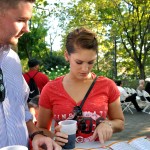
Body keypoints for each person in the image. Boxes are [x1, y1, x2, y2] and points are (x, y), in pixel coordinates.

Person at [37, 27, 125, 147]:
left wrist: (108, 124)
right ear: (67, 56)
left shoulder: (107, 85)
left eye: (91, 62)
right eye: (79, 62)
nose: (85, 69)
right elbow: (41, 128)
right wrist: (53, 137)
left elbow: (119, 122)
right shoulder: (51, 89)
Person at [0, 0, 61, 149]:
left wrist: (35, 134)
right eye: (21, 20)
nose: (27, 29)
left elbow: (21, 108)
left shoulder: (12, 60)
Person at [23, 58, 49, 122]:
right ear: (36, 66)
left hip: (27, 104)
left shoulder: (22, 77)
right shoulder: (43, 76)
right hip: (41, 104)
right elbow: (48, 92)